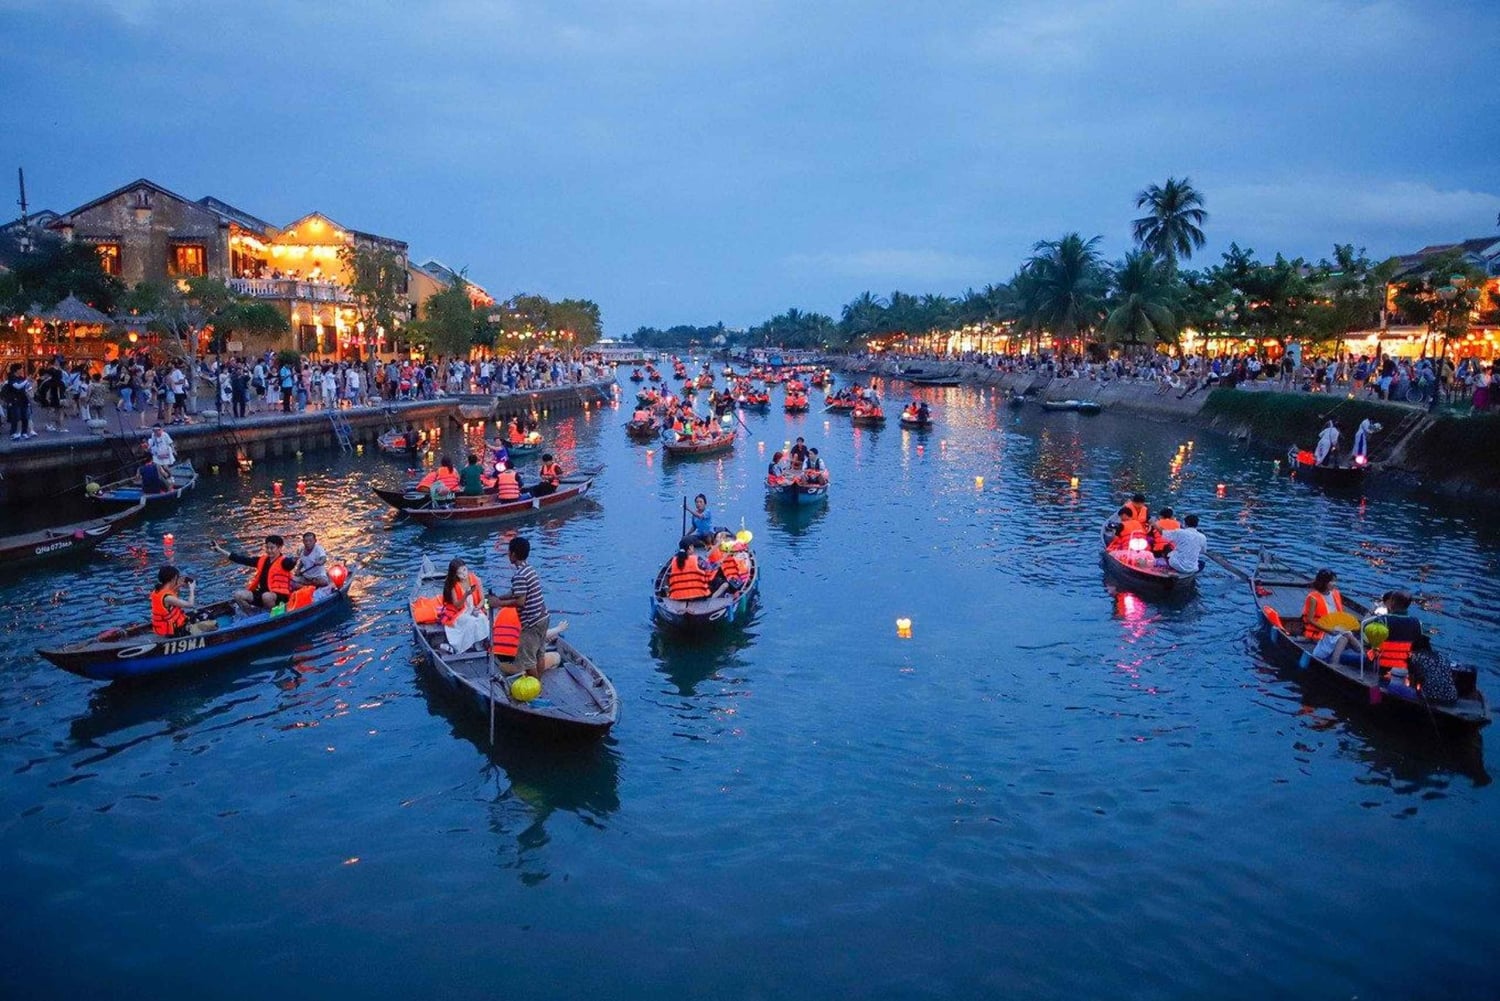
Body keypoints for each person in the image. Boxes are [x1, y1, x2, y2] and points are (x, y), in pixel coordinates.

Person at [488, 536, 550, 680]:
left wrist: (497, 604)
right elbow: (516, 592)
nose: (508, 554)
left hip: (532, 623)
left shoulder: (519, 576)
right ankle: (539, 683)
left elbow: (520, 601)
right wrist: (500, 598)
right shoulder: (529, 570)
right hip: (543, 617)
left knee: (527, 661)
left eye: (509, 552)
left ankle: (536, 690)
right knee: (539, 653)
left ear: (514, 554)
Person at [216, 535, 294, 611]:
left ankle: (276, 615)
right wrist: (219, 549)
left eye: (272, 548)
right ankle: (251, 616)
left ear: (280, 548)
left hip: (280, 597)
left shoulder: (285, 562)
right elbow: (241, 559)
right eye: (267, 547)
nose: (269, 550)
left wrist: (294, 561)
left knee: (266, 596)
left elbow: (290, 564)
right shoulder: (261, 560)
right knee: (238, 595)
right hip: (262, 593)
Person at [438, 557, 489, 654]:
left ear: (466, 568)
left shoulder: (476, 579)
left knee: (482, 619)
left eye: (464, 570)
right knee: (471, 621)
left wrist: (477, 608)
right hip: (461, 612)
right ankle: (459, 648)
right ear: (455, 574)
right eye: (460, 573)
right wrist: (466, 594)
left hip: (474, 609)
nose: (464, 574)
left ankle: (479, 644)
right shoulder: (453, 585)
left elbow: (483, 599)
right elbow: (457, 605)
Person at [150, 565, 196, 637]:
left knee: (194, 615)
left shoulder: (157, 591)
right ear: (173, 578)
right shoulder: (168, 598)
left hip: (162, 629)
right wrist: (192, 589)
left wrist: (178, 586)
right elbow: (190, 604)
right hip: (173, 631)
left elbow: (170, 593)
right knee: (210, 621)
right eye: (177, 577)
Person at [1301, 569, 1343, 640]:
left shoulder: (1336, 593)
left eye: (1335, 581)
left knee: (1347, 634)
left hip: (1335, 626)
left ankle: (1360, 649)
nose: (1334, 584)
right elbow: (1310, 619)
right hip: (1321, 631)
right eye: (1332, 581)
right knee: (1344, 638)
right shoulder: (1313, 598)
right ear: (1324, 582)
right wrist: (1328, 630)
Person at [3, 363, 35, 439]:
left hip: (23, 400)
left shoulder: (21, 378)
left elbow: (27, 387)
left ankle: (24, 432)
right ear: (16, 370)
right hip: (15, 401)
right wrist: (26, 380)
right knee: (16, 417)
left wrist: (31, 387)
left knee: (25, 417)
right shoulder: (11, 378)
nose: (21, 370)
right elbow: (17, 386)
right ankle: (13, 433)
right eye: (20, 368)